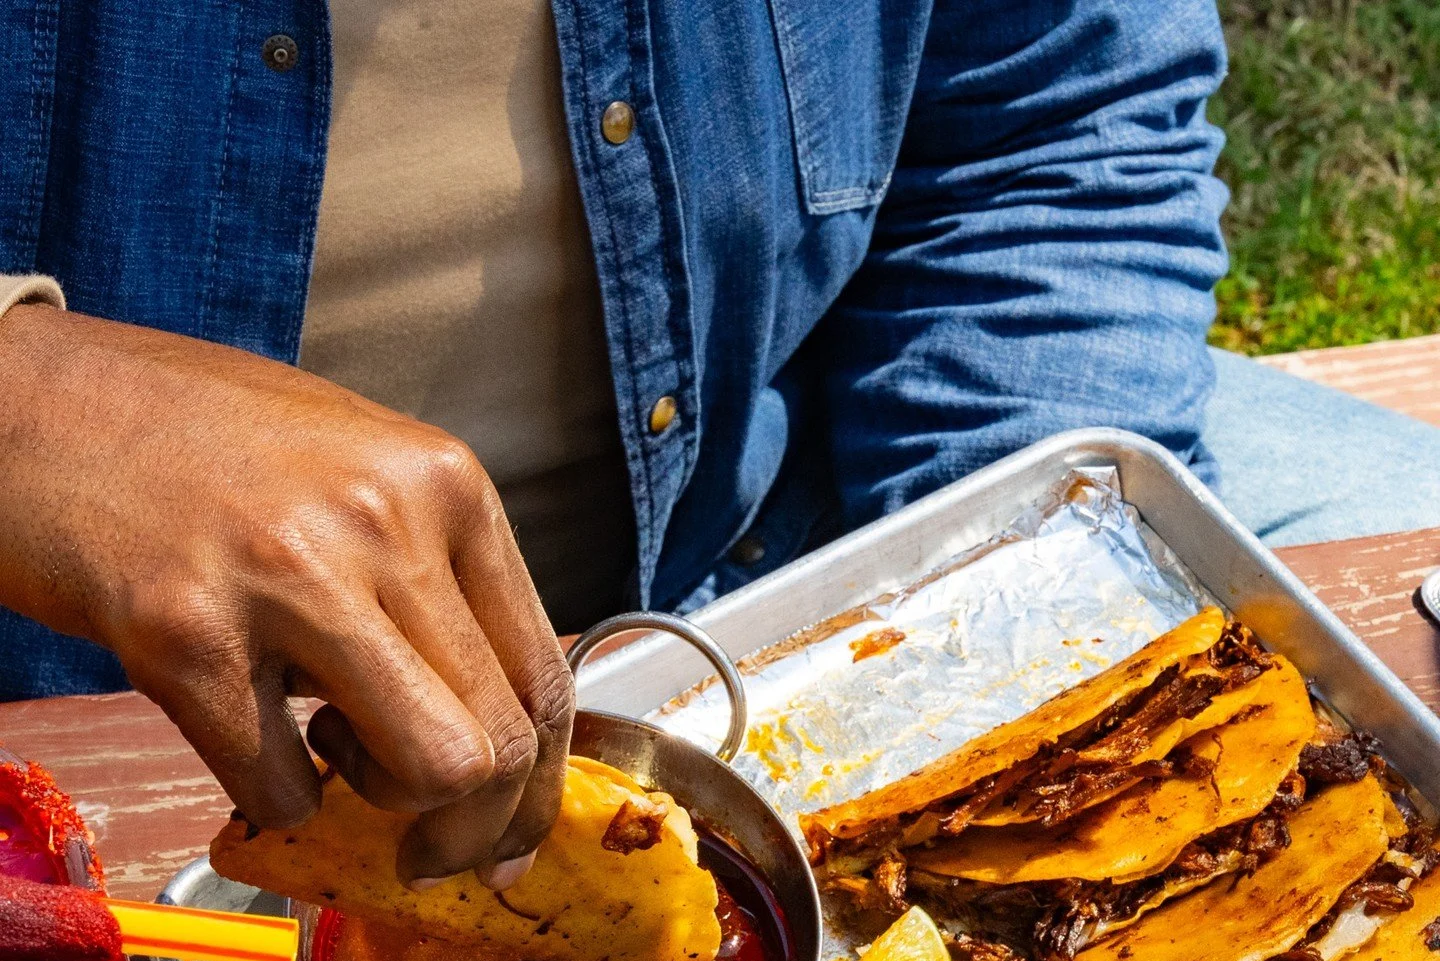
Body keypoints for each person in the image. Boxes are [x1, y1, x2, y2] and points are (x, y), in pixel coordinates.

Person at [0, 0, 1404, 890]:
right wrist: (31, 404)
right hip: (95, 713)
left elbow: (1044, 126)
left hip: (774, 523)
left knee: (1405, 550)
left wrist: (1005, 660)